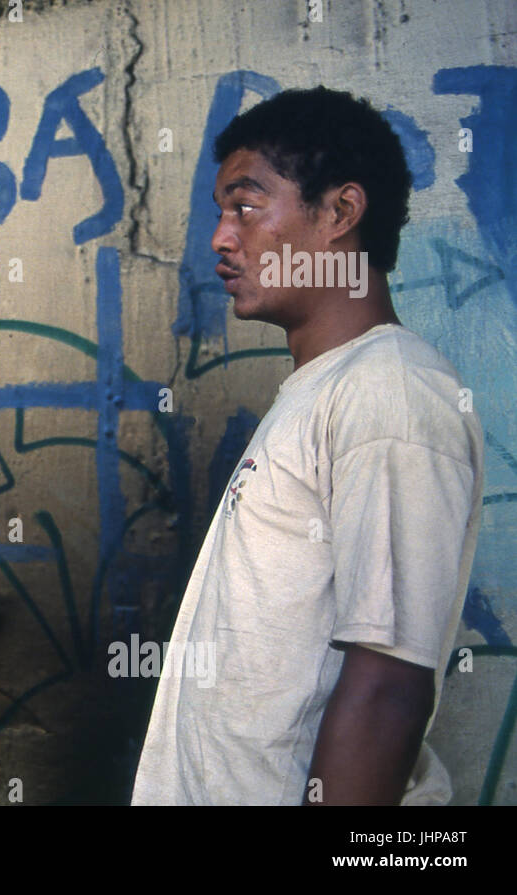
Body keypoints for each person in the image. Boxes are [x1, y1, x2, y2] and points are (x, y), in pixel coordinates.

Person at [131, 86, 485, 805]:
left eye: (245, 205)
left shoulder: (390, 392)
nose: (220, 238)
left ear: (339, 214)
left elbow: (388, 683)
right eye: (220, 211)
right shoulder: (321, 390)